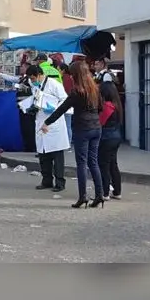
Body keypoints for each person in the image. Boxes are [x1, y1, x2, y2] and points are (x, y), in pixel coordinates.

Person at [42, 61, 104, 208]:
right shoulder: (95, 89)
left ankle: (83, 196)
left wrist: (47, 122)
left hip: (82, 128)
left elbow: (62, 109)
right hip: (96, 128)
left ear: (75, 75)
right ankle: (99, 195)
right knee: (93, 162)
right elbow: (100, 107)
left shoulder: (77, 91)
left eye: (71, 74)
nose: (70, 77)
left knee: (81, 163)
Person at [21, 64, 69, 192]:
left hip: (54, 123)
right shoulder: (34, 85)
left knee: (57, 156)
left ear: (39, 75)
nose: (32, 81)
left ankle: (60, 182)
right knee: (43, 155)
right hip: (41, 121)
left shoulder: (54, 84)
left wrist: (54, 108)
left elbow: (65, 100)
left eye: (33, 79)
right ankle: (46, 180)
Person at [98, 82, 124, 200]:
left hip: (106, 138)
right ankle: (117, 191)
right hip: (115, 137)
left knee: (104, 165)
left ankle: (105, 193)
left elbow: (100, 122)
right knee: (113, 164)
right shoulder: (117, 105)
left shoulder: (107, 106)